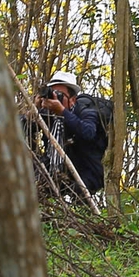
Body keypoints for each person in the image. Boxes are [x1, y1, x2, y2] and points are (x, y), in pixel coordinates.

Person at [26, 73, 108, 202]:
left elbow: (88, 132)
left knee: (79, 199)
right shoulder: (48, 114)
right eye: (53, 94)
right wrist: (34, 111)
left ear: (73, 100)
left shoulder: (85, 111)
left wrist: (63, 112)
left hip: (86, 171)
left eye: (60, 95)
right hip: (57, 169)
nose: (55, 99)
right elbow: (17, 130)